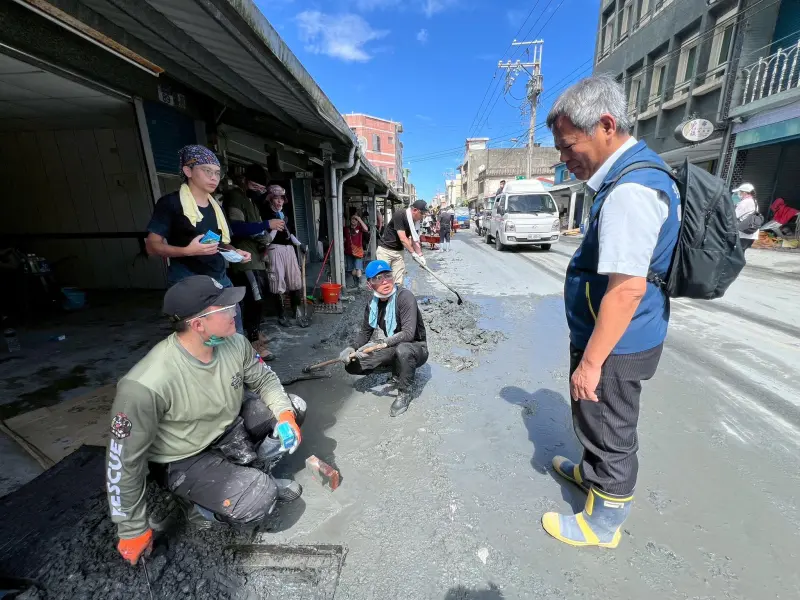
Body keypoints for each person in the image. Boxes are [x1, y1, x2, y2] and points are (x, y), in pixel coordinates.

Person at [542, 74, 681, 548]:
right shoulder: (626, 178)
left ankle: (602, 524)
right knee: (594, 418)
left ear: (605, 125)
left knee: (610, 427)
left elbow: (625, 291)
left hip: (619, 344)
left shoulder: (630, 190)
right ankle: (592, 476)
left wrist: (591, 362)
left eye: (568, 145)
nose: (563, 158)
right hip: (613, 336)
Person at [108, 275, 306, 566]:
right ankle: (200, 505)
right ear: (198, 324)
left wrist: (285, 416)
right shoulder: (145, 384)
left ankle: (252, 469)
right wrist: (131, 529)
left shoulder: (234, 343)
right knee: (259, 497)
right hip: (184, 457)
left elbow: (265, 380)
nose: (234, 312)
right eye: (224, 308)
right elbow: (123, 461)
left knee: (294, 407)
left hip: (225, 427)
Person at [145, 145, 251, 288]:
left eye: (217, 173)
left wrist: (236, 252)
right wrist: (187, 251)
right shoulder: (171, 203)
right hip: (187, 280)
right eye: (207, 171)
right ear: (188, 171)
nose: (214, 177)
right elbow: (152, 246)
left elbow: (220, 244)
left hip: (220, 279)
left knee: (235, 310)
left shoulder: (217, 208)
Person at [338, 260, 428, 417]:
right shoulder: (372, 305)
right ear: (369, 284)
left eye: (387, 275)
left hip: (416, 348)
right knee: (352, 366)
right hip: (393, 348)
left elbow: (408, 334)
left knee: (403, 350)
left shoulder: (405, 297)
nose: (385, 281)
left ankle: (404, 392)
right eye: (378, 278)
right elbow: (365, 332)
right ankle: (397, 369)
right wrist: (351, 348)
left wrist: (381, 344)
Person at [224, 164, 286, 358]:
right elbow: (237, 228)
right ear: (245, 180)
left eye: (262, 188)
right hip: (244, 261)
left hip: (256, 258)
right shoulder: (235, 197)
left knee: (260, 298)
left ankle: (255, 332)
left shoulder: (250, 201)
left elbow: (255, 229)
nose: (260, 191)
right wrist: (267, 224)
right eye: (257, 186)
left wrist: (264, 241)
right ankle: (252, 343)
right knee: (254, 301)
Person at [260, 185, 309, 327]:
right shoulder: (265, 215)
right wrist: (275, 226)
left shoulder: (286, 214)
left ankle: (296, 310)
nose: (279, 201)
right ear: (270, 199)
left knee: (295, 280)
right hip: (274, 248)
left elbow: (291, 233)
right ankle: (281, 315)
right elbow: (266, 238)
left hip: (289, 248)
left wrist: (300, 245)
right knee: (277, 281)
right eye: (276, 198)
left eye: (281, 198)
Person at [376, 200, 429, 285]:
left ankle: (396, 297)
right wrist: (413, 253)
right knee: (383, 279)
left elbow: (415, 240)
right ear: (415, 210)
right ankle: (381, 298)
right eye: (422, 213)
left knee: (398, 281)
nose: (422, 216)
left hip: (399, 252)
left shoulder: (416, 222)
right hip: (385, 250)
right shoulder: (400, 215)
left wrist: (421, 256)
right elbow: (403, 238)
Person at [344, 211, 369, 289]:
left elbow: (366, 229)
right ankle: (356, 283)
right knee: (351, 270)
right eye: (352, 219)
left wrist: (359, 219)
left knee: (358, 268)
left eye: (356, 219)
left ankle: (360, 285)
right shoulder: (346, 229)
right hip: (348, 251)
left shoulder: (360, 228)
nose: (354, 220)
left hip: (358, 251)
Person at [733, 183, 759, 252]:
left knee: (737, 254)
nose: (738, 194)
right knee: (741, 253)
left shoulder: (745, 202)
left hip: (743, 233)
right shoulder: (754, 201)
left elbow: (734, 215)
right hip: (751, 233)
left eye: (740, 192)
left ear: (744, 193)